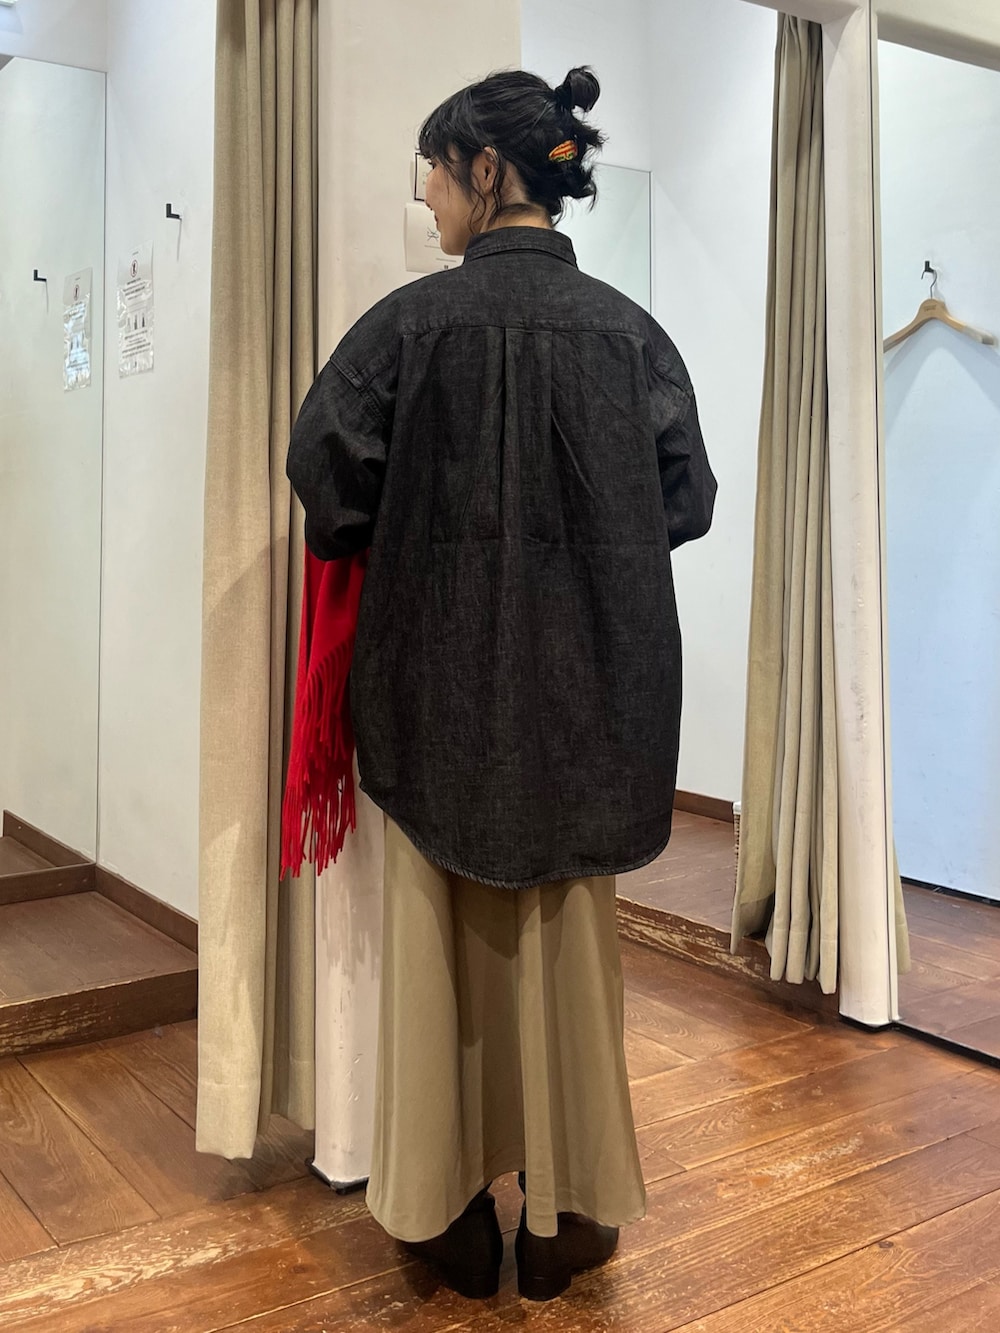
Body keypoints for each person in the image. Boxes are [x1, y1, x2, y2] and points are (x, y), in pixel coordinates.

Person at [286, 65, 716, 1303]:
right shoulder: (633, 335)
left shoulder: (405, 330)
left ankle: (446, 1213)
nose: (426, 198)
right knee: (570, 953)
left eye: (433, 173)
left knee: (436, 958)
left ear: (486, 171)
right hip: (594, 701)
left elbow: (325, 478)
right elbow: (684, 500)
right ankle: (570, 1215)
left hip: (436, 698)